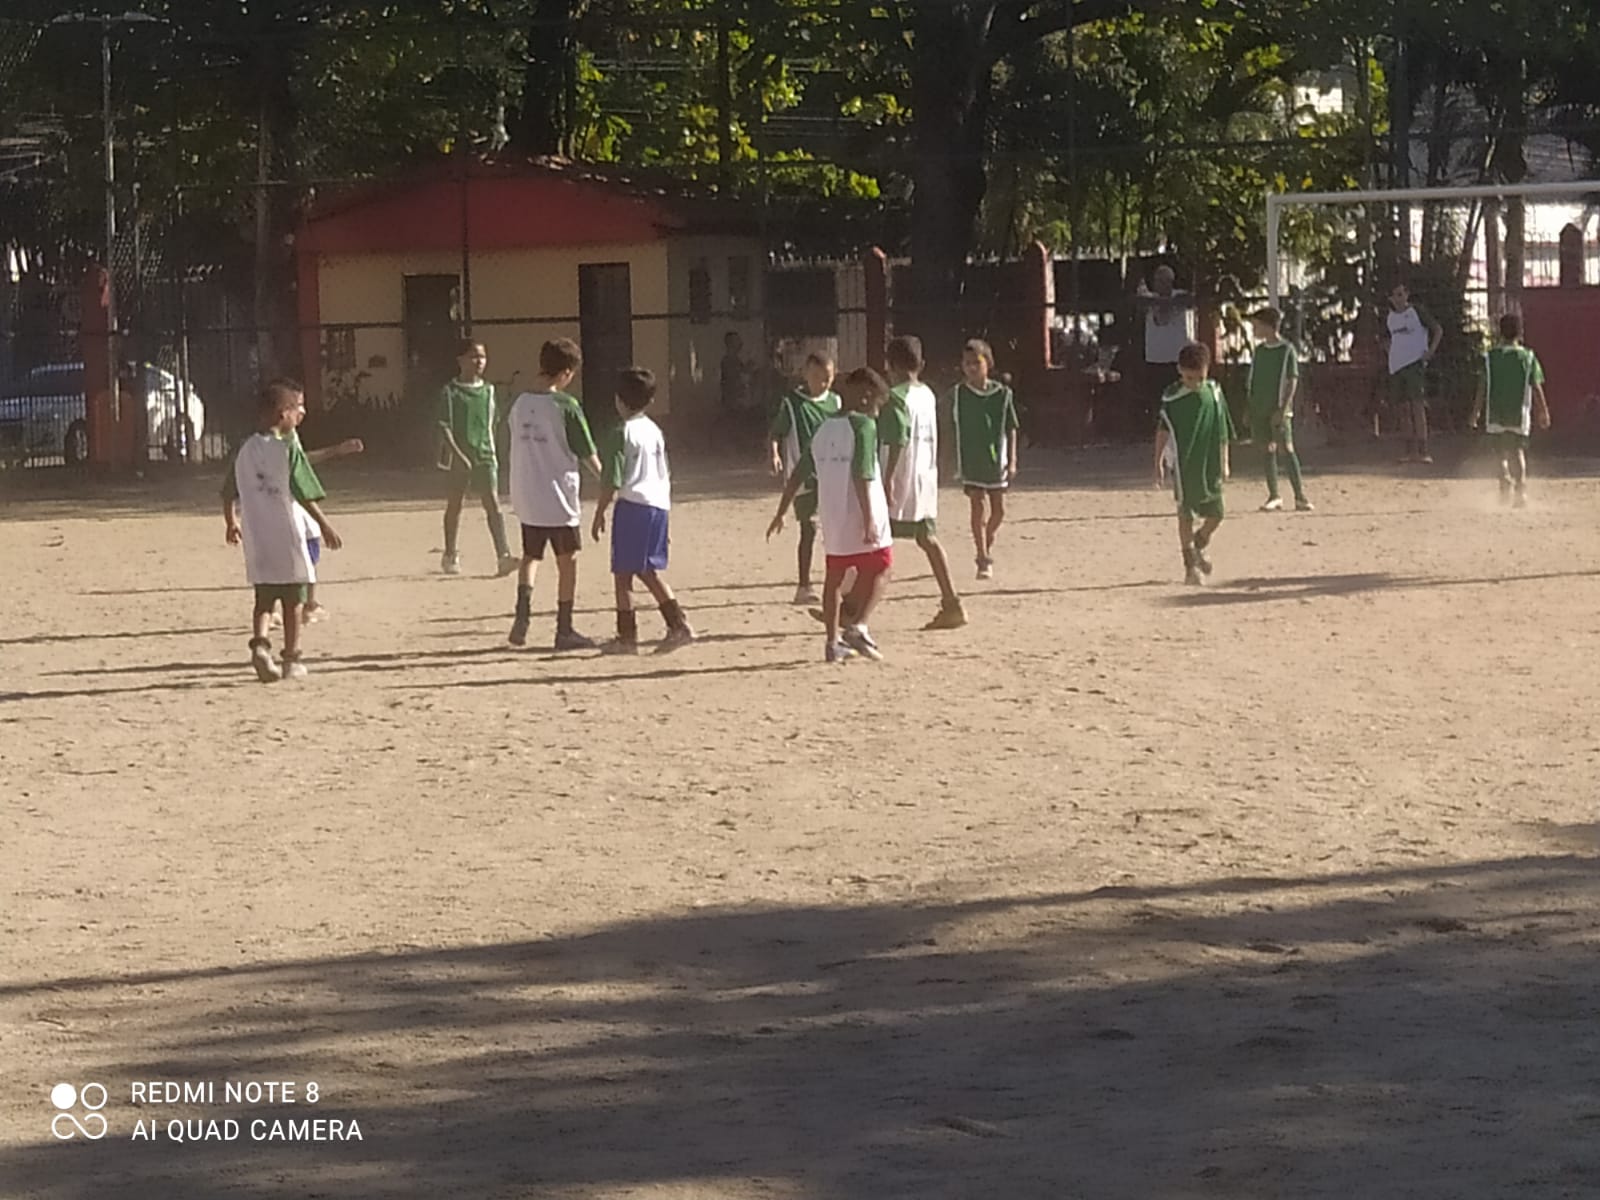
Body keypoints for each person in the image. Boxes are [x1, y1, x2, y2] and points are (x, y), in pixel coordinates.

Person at [769, 366, 893, 664]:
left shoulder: (824, 428)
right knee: (882, 567)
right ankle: (859, 625)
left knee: (834, 576)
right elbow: (862, 473)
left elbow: (799, 472)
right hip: (861, 510)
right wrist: (869, 517)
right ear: (866, 398)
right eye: (878, 404)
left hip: (833, 515)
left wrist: (781, 510)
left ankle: (831, 642)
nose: (878, 411)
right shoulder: (863, 426)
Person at [221, 380, 342, 682]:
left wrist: (231, 522)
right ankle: (291, 658)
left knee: (264, 599)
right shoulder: (288, 448)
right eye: (295, 410)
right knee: (293, 599)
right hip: (287, 533)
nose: (300, 416)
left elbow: (227, 491)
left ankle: (260, 645)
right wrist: (325, 525)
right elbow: (303, 492)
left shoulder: (245, 450)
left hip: (257, 535)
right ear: (281, 414)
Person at [506, 338, 602, 651]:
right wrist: (608, 479)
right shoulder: (565, 406)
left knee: (531, 556)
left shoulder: (519, 403)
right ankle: (564, 627)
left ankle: (522, 616)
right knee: (567, 560)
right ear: (564, 373)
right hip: (558, 495)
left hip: (526, 493)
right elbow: (586, 450)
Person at [591, 366, 695, 654]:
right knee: (647, 570)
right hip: (658, 505)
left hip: (632, 506)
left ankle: (628, 636)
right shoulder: (654, 431)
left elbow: (611, 478)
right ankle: (677, 624)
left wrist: (600, 511)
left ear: (619, 400)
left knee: (623, 574)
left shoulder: (620, 432)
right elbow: (665, 473)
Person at [880, 335, 966, 629]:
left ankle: (852, 605)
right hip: (924, 477)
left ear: (888, 365)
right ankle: (951, 601)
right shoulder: (927, 394)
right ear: (921, 365)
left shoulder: (895, 398)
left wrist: (886, 478)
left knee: (870, 538)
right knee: (927, 539)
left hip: (901, 477)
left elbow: (897, 441)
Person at [1155, 342, 1234, 586]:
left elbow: (1222, 430)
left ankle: (1199, 544)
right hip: (1184, 465)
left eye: (1200, 377)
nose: (1195, 383)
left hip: (1209, 463)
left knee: (1217, 514)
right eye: (1190, 378)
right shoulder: (1172, 397)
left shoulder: (1214, 393)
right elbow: (1162, 430)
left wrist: (1225, 459)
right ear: (1180, 370)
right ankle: (1190, 566)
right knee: (1186, 514)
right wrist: (1157, 461)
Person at [438, 338, 518, 577]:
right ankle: (450, 552)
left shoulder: (489, 391)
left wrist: (492, 450)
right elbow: (444, 426)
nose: (479, 361)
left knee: (493, 503)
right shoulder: (451, 391)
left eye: (482, 356)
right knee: (455, 503)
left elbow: (493, 423)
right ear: (460, 360)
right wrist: (457, 454)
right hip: (459, 456)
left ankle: (503, 555)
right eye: (473, 356)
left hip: (485, 454)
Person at [768, 351, 840, 604]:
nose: (822, 382)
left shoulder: (837, 403)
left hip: (832, 474)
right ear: (806, 374)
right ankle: (804, 585)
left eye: (827, 378)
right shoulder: (792, 402)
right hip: (804, 475)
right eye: (817, 377)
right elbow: (776, 433)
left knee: (835, 530)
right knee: (808, 528)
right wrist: (774, 454)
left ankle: (839, 582)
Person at [951, 338, 1019, 580]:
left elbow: (1011, 427)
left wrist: (1012, 460)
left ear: (987, 364)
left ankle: (987, 536)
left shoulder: (1003, 394)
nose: (971, 368)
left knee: (998, 511)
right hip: (972, 460)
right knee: (977, 506)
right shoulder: (959, 394)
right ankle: (982, 557)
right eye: (967, 363)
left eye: (976, 363)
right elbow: (950, 427)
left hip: (995, 460)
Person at [1470, 312, 1551, 507]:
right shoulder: (1528, 357)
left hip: (1496, 411)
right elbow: (1536, 386)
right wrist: (1543, 411)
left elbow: (1482, 386)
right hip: (1519, 413)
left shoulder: (1490, 358)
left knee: (1500, 452)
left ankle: (1504, 479)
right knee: (1517, 451)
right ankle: (1521, 490)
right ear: (1520, 332)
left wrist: (1476, 412)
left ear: (1499, 332)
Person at [1246, 308, 1313, 513]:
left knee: (1287, 448)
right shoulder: (1259, 351)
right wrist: (1249, 407)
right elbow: (1253, 380)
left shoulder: (1287, 350)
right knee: (1266, 449)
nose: (1254, 330)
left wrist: (1283, 409)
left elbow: (1292, 380)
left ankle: (1300, 496)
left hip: (1278, 409)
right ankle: (1274, 495)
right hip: (1259, 407)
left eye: (1256, 326)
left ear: (1268, 326)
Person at [294, 436, 363, 622]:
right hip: (293, 504)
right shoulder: (285, 438)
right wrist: (336, 450)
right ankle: (308, 604)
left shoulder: (259, 442)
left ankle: (273, 610)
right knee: (308, 549)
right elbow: (300, 464)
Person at [1384, 282, 1442, 464]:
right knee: (1403, 409)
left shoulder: (1417, 312)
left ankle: (1423, 450)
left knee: (1417, 406)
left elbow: (1437, 329)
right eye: (1396, 295)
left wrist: (1430, 351)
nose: (1400, 299)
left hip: (1414, 365)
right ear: (1391, 299)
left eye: (1402, 294)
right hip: (1396, 367)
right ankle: (1409, 450)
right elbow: (1386, 339)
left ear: (1407, 295)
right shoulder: (1390, 317)